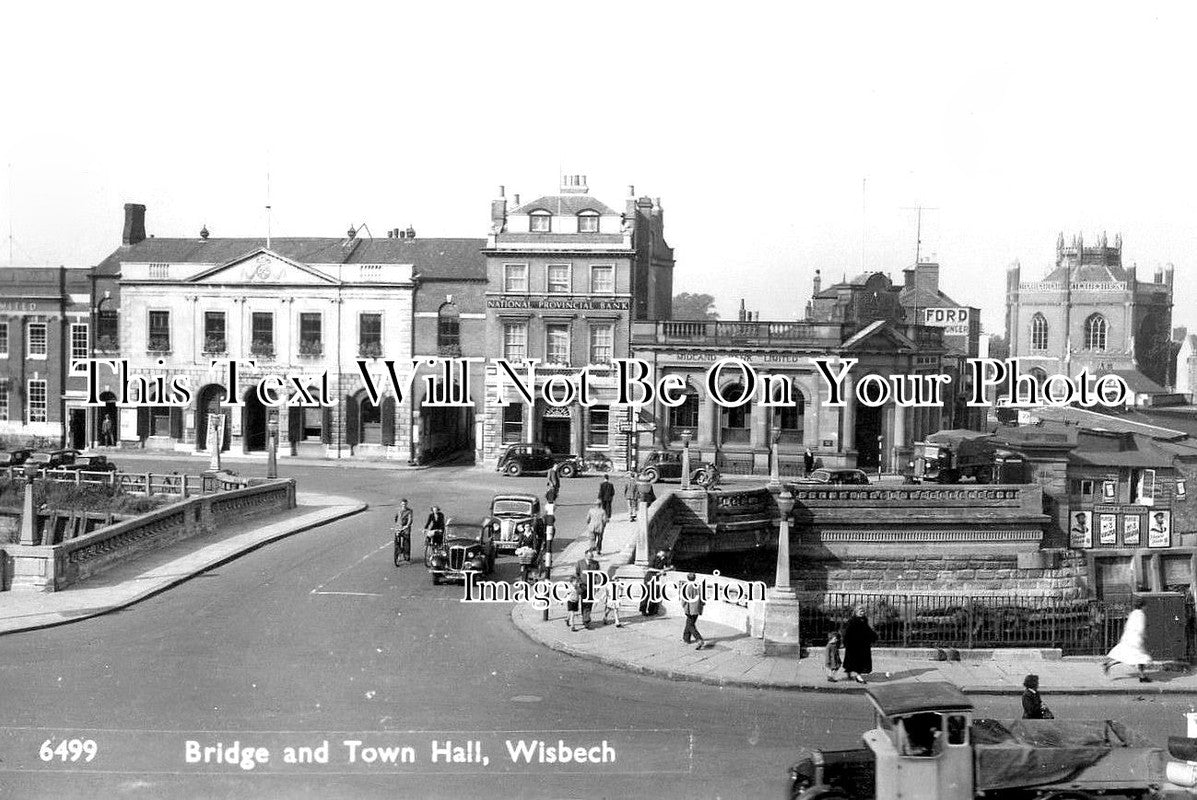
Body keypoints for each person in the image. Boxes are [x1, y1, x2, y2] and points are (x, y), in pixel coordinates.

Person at [1103, 596, 1153, 682]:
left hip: (1128, 638)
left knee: (1127, 656)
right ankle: (1142, 677)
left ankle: (1109, 664)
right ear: (1143, 606)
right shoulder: (1141, 614)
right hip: (1136, 640)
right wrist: (1143, 636)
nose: (1147, 607)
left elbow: (1127, 626)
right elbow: (1140, 628)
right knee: (1141, 658)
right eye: (1146, 605)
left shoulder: (1133, 613)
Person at [842, 606, 877, 684]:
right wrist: (846, 642)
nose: (862, 613)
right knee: (853, 660)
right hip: (853, 645)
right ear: (856, 612)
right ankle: (854, 674)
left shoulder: (864, 620)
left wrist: (873, 636)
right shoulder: (852, 621)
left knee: (860, 661)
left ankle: (857, 675)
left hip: (863, 644)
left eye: (863, 611)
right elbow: (848, 633)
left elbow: (867, 630)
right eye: (860, 611)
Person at [681, 572, 706, 650]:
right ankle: (686, 638)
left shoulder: (686, 587)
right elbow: (702, 597)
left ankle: (699, 639)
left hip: (689, 609)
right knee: (689, 623)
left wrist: (683, 605)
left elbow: (684, 599)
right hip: (697, 608)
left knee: (690, 625)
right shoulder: (698, 586)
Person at [393, 498, 414, 564]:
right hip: (398, 527)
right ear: (401, 504)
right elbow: (396, 518)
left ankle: (407, 557)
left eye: (405, 504)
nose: (404, 505)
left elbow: (410, 519)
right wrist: (397, 525)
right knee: (396, 541)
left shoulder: (409, 511)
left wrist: (407, 525)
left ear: (406, 504)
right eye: (402, 504)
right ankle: (398, 553)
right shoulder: (398, 510)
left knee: (406, 542)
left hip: (406, 528)